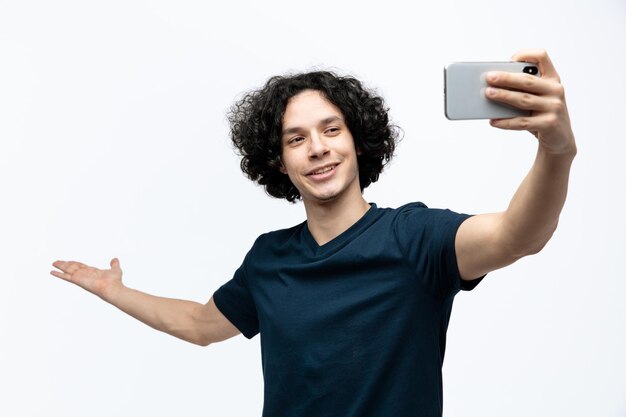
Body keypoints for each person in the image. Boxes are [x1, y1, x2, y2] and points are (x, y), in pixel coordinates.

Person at [50, 49, 577, 417]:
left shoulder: (416, 238)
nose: (318, 148)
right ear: (279, 162)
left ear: (358, 141)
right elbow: (198, 323)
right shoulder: (270, 258)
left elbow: (518, 235)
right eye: (296, 138)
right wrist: (115, 291)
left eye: (331, 129)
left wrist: (556, 150)